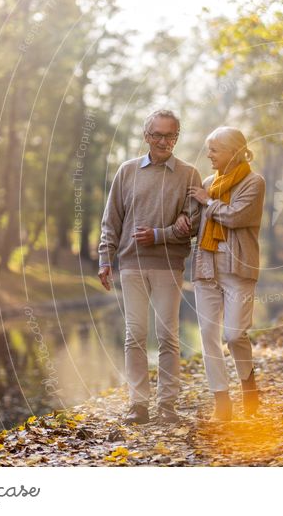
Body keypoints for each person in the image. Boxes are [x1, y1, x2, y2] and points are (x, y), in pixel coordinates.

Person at [97, 109, 202, 425]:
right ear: (146, 136)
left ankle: (167, 405)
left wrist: (163, 234)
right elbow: (111, 219)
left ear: (176, 138)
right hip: (130, 265)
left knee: (168, 336)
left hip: (169, 266)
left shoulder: (188, 174)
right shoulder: (127, 171)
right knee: (135, 336)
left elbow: (193, 223)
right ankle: (138, 405)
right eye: (157, 134)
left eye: (170, 135)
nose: (163, 141)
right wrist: (105, 258)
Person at [184, 126, 265, 421]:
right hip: (206, 268)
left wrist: (207, 201)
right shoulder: (207, 182)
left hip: (238, 270)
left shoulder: (254, 182)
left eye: (215, 150)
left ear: (234, 151)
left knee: (233, 335)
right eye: (209, 149)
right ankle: (221, 400)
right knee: (207, 334)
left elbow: (237, 216)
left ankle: (248, 385)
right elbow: (197, 223)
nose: (209, 155)